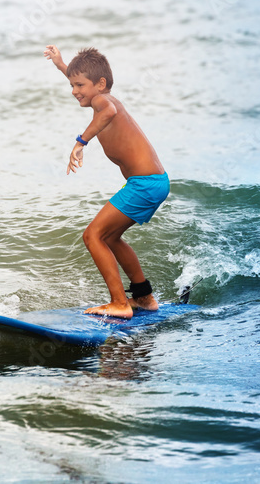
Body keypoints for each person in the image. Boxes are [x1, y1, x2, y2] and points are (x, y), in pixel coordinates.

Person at [44, 45, 170, 319]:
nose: (75, 91)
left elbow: (108, 111)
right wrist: (60, 64)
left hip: (145, 183)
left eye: (79, 85)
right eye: (72, 85)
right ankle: (144, 297)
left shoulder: (104, 102)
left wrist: (80, 142)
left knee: (93, 236)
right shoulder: (98, 95)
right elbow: (85, 84)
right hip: (152, 182)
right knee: (110, 237)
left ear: (100, 84)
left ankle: (119, 303)